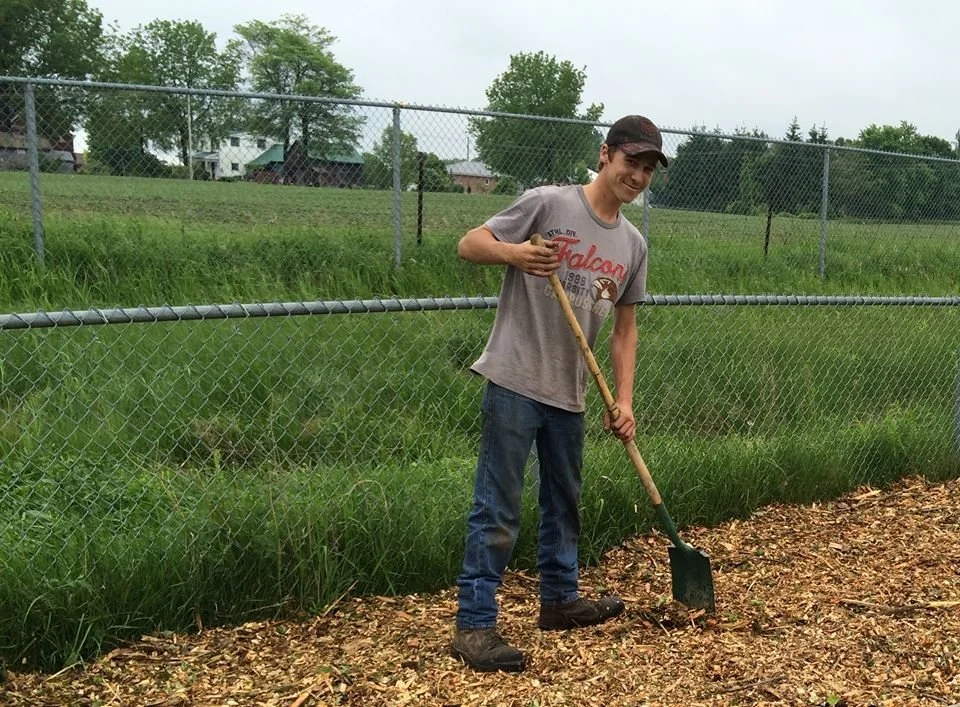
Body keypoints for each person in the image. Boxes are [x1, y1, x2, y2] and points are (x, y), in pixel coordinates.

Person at [449, 115, 669, 672]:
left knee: (563, 502)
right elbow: (470, 244)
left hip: (572, 392)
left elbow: (625, 328)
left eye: (648, 168)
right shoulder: (547, 204)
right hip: (517, 378)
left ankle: (559, 600)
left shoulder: (634, 244)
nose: (638, 176)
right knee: (497, 506)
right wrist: (515, 255)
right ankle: (474, 625)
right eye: (631, 163)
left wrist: (624, 399)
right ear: (605, 155)